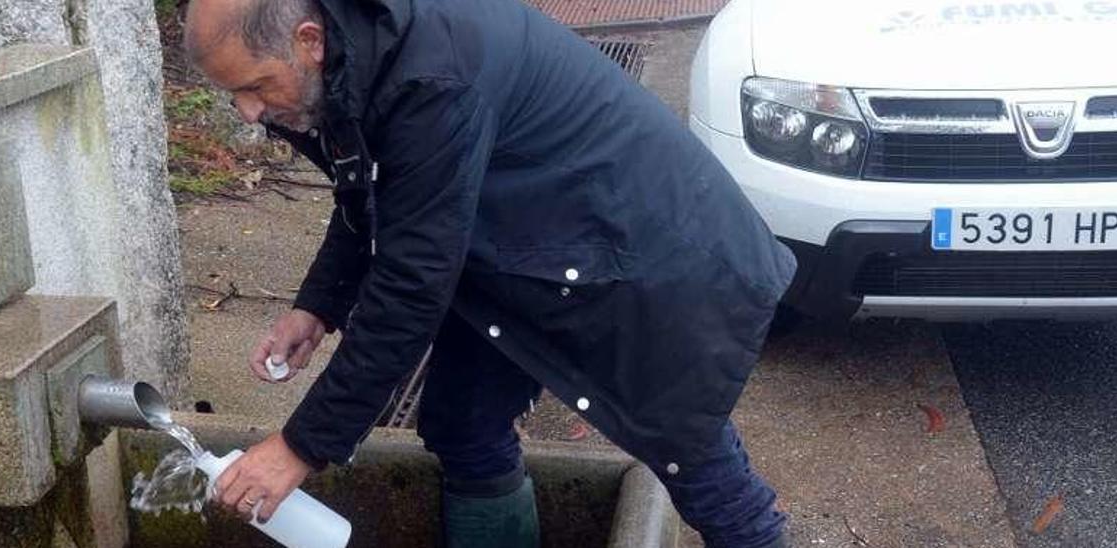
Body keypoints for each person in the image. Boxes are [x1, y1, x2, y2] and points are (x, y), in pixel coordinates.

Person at [183, 0, 797, 546]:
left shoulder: (429, 77)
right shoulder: (342, 63)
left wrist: (299, 448)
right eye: (232, 92)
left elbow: (411, 286)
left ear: (308, 40)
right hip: (521, 243)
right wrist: (315, 307)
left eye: (256, 86)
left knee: (684, 446)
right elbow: (367, 192)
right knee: (462, 422)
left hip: (642, 245)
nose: (248, 112)